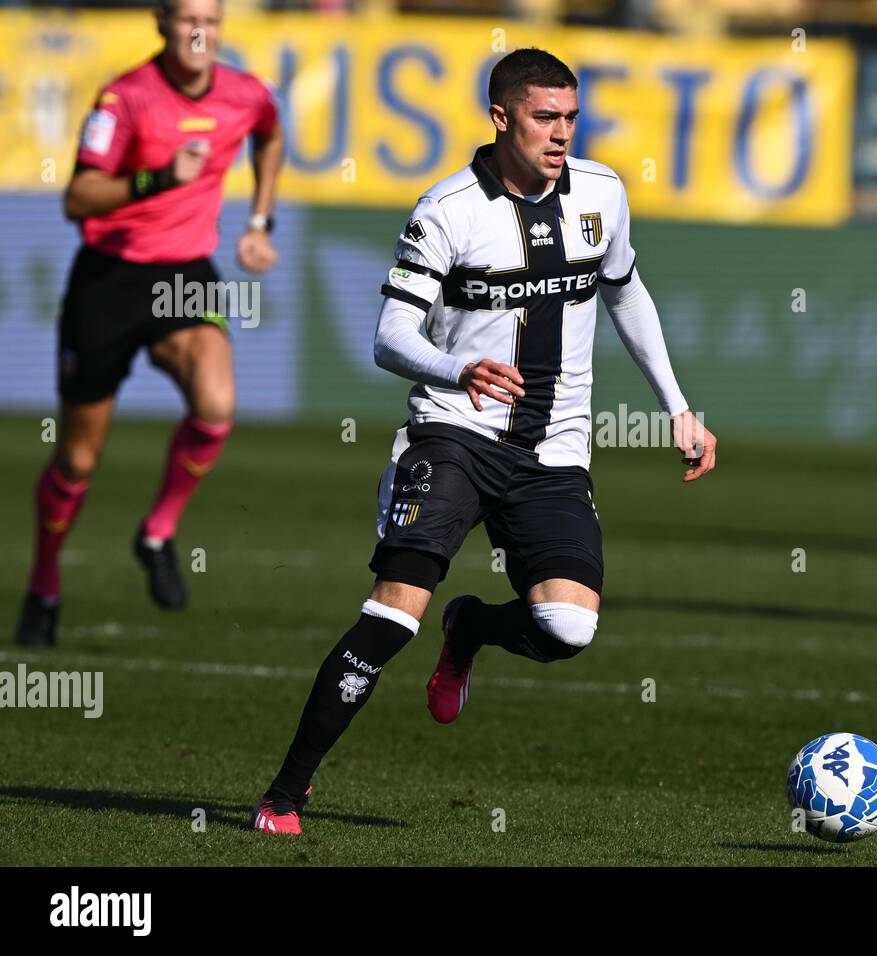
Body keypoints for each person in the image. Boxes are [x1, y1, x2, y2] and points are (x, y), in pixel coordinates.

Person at [252, 48, 717, 834]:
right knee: (395, 613)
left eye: (571, 116)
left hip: (553, 450)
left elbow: (624, 290)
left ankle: (471, 629)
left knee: (568, 628)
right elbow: (389, 335)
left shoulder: (602, 193)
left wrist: (676, 403)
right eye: (545, 117)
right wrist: (457, 365)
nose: (562, 132)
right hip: (453, 433)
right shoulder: (448, 210)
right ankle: (285, 795)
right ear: (502, 117)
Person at [14, 0, 283, 647]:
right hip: (107, 281)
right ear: (160, 23)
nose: (200, 32)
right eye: (188, 18)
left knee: (217, 404)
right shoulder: (124, 98)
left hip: (183, 274)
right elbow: (78, 197)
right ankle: (44, 587)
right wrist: (158, 176)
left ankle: (157, 531)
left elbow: (270, 134)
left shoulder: (246, 94)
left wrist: (258, 222)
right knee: (77, 461)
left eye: (212, 21)